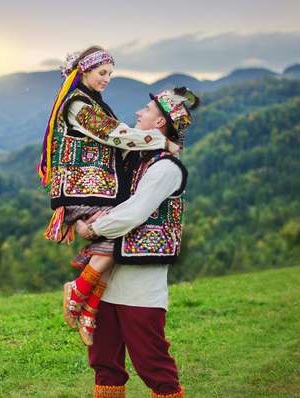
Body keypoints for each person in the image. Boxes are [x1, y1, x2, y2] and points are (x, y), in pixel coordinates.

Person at [37, 46, 179, 345]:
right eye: (102, 73)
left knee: (115, 240)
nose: (107, 79)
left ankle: (88, 305)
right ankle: (80, 293)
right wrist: (160, 141)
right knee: (115, 239)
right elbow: (115, 134)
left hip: (96, 188)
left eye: (110, 74)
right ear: (84, 71)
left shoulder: (90, 102)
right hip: (82, 189)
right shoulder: (78, 105)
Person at [75, 87, 199, 398]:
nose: (139, 113)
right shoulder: (136, 161)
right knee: (104, 361)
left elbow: (134, 212)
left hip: (141, 284)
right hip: (110, 279)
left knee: (152, 363)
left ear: (160, 124)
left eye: (146, 110)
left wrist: (93, 229)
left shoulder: (166, 168)